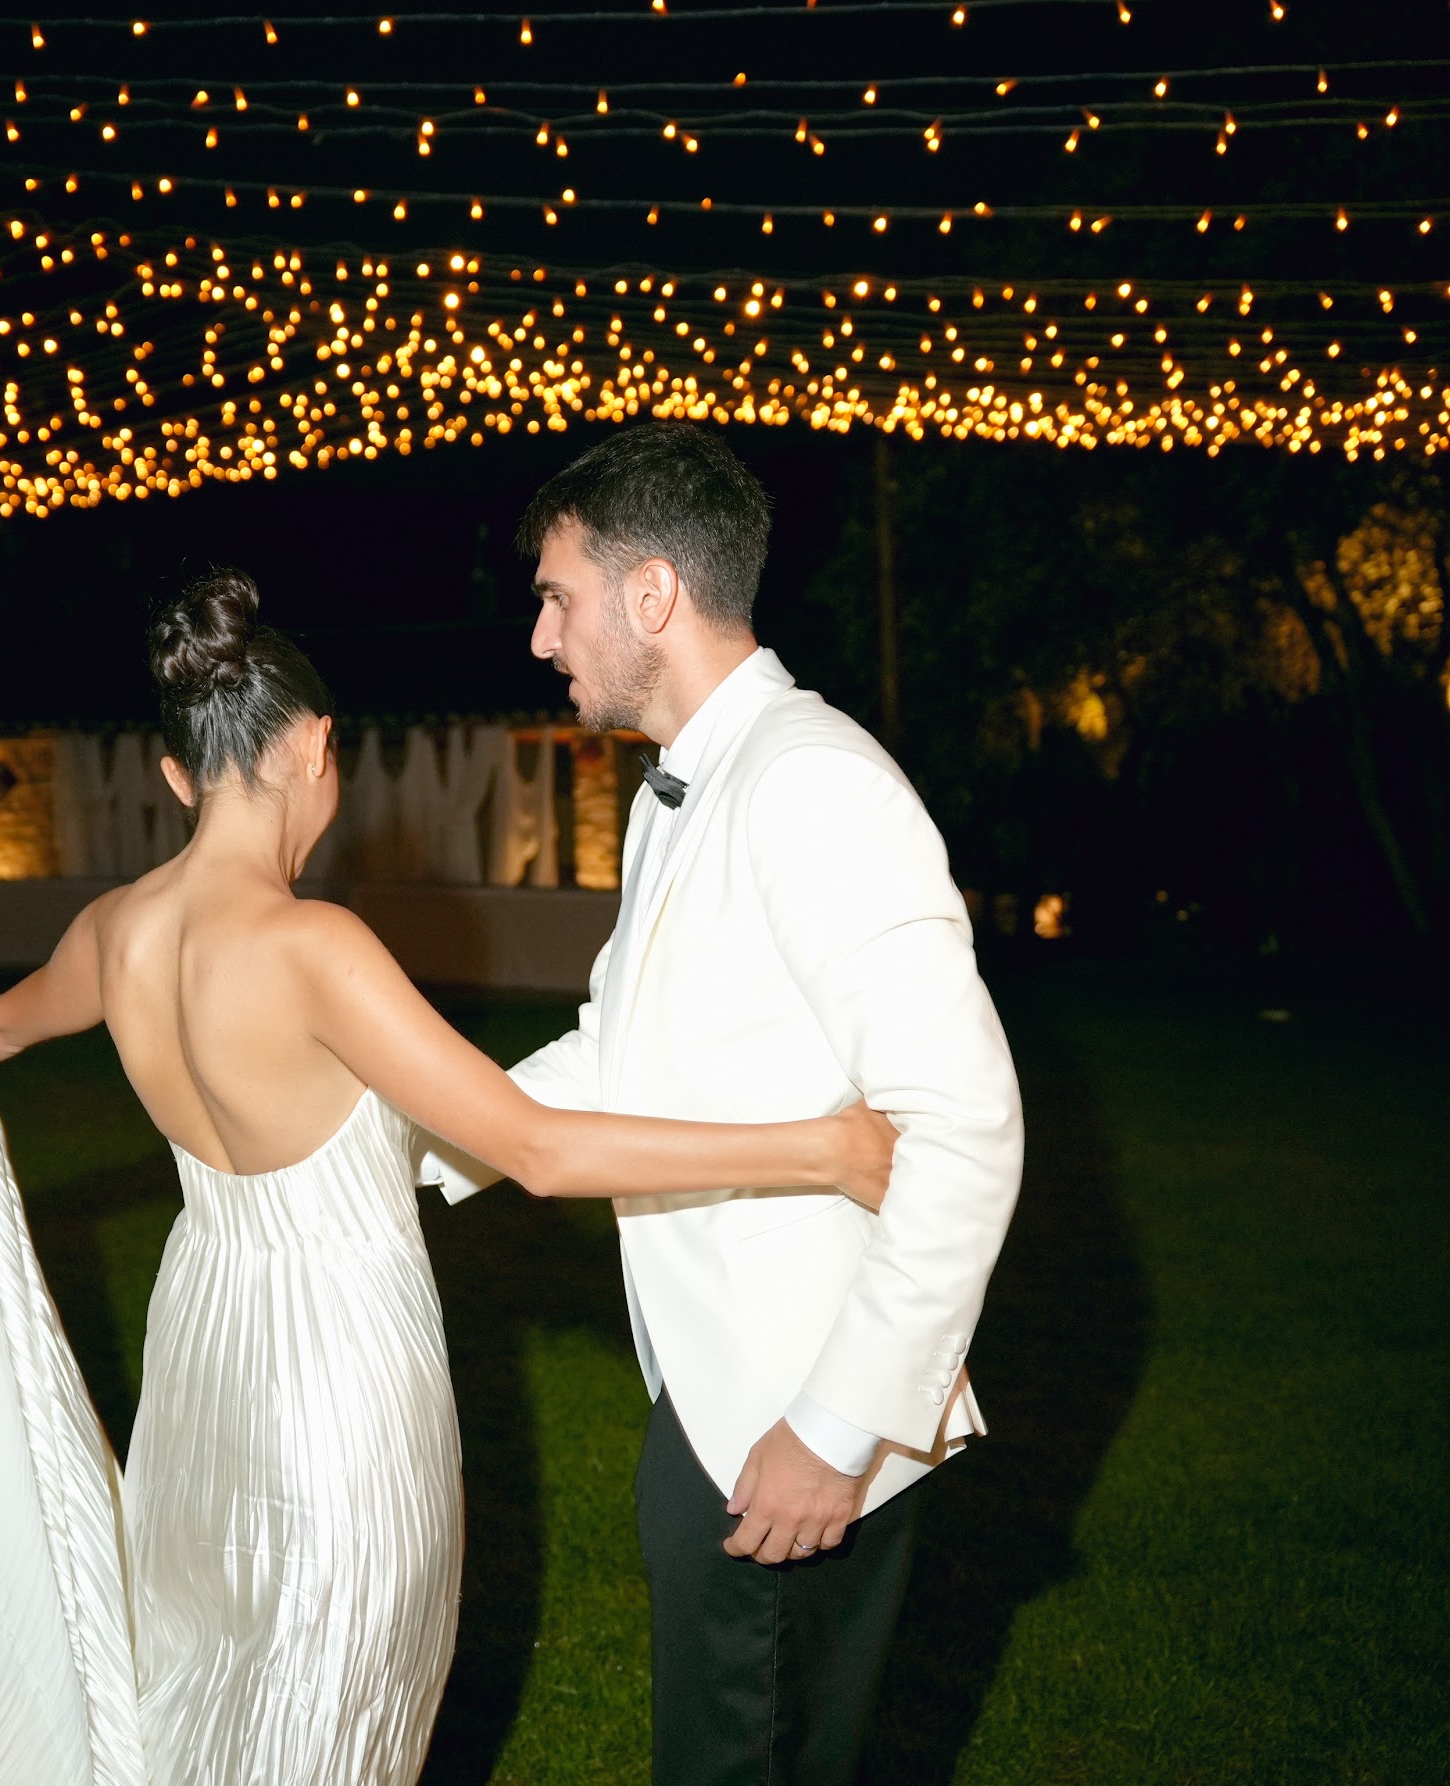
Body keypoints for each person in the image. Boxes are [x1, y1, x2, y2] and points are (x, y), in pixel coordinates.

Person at [0, 569, 903, 1786]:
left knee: (208, 1677)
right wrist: (818, 1147)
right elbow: (534, 1147)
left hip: (204, 1347)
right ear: (319, 744)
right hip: (333, 1373)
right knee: (332, 1700)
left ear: (173, 775)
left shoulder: (113, 931)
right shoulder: (314, 948)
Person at [423, 423, 1025, 1783]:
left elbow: (966, 1126)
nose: (539, 634)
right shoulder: (675, 798)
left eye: (555, 594)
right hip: (710, 1396)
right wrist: (397, 1139)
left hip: (801, 1419)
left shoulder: (814, 784)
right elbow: (618, 1052)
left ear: (651, 597)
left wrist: (838, 1427)